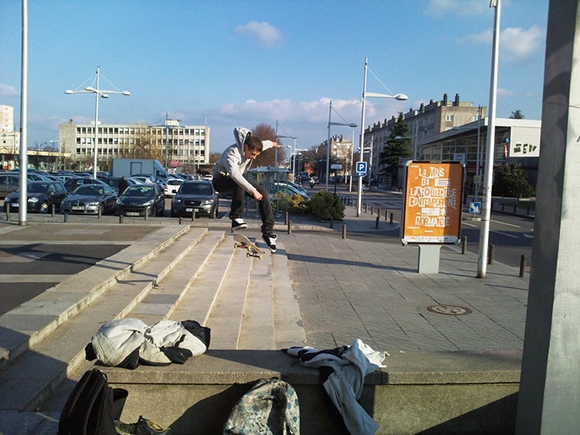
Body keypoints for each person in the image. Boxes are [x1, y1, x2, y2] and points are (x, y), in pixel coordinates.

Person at [212, 127, 281, 252]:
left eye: (256, 155)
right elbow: (234, 174)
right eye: (253, 154)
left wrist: (272, 144)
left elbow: (264, 144)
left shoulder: (253, 146)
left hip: (235, 179)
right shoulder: (232, 153)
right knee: (239, 182)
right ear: (245, 147)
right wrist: (252, 191)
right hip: (220, 180)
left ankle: (268, 233)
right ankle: (236, 217)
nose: (253, 158)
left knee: (263, 194)